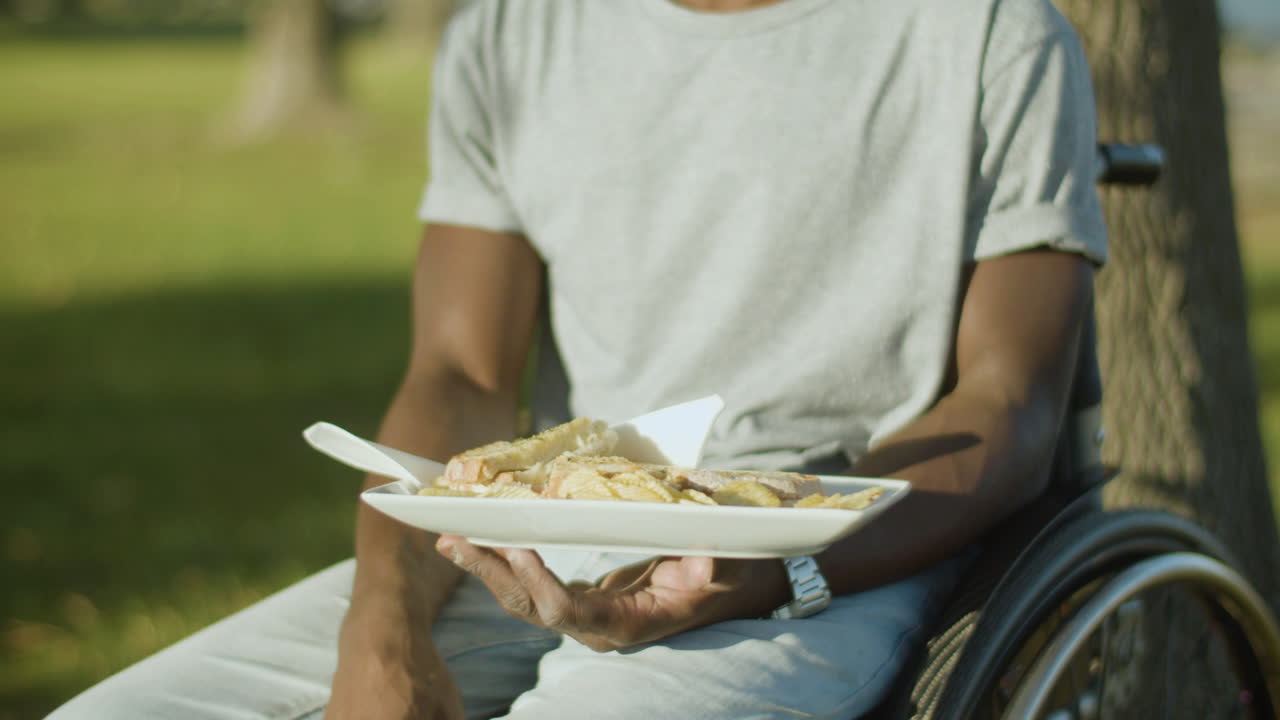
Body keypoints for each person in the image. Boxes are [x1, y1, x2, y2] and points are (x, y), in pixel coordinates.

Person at [48, 0, 1108, 718]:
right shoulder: (512, 32)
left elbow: (1007, 406)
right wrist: (384, 626)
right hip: (544, 536)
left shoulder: (987, 32)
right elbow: (459, 377)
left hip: (838, 553)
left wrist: (755, 570)